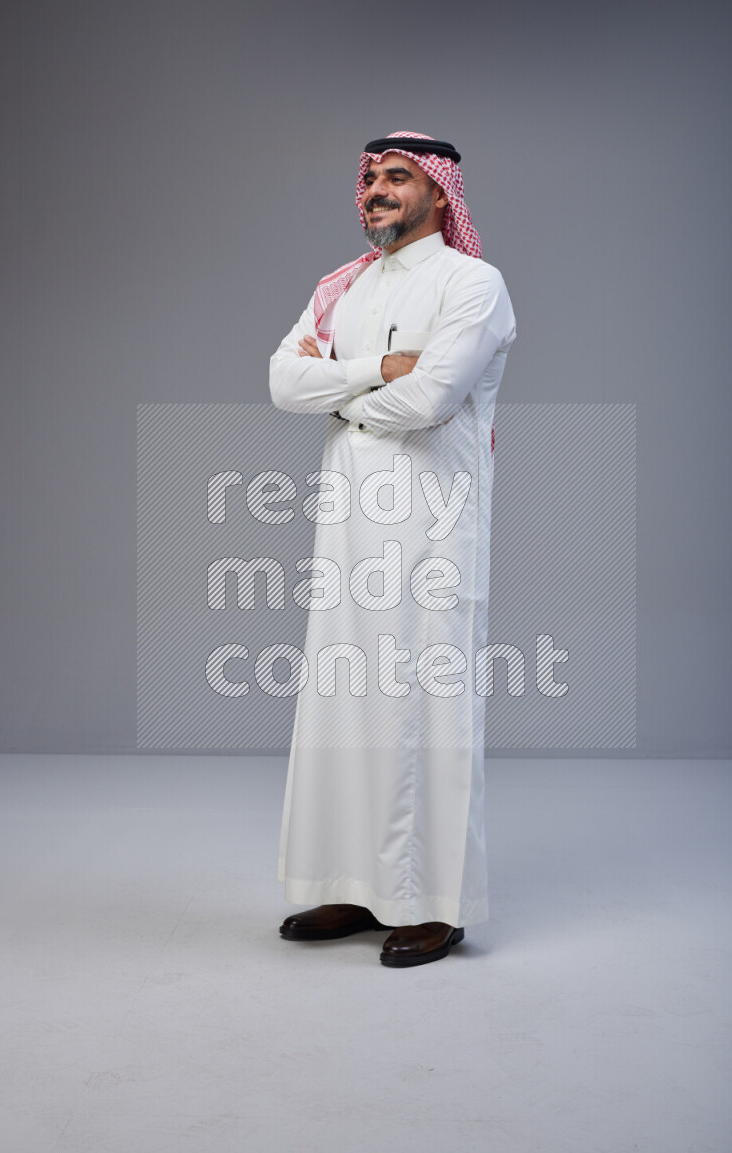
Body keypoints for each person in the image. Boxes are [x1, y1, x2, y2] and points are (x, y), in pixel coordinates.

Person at [269, 131, 516, 967]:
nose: (375, 189)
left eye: (397, 177)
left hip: (432, 525)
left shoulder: (473, 283)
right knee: (345, 697)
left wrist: (342, 396)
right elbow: (280, 381)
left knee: (425, 703)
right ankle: (350, 882)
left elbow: (435, 396)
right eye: (370, 177)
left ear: (441, 194)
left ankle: (435, 903)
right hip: (347, 526)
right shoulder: (343, 286)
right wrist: (380, 370)